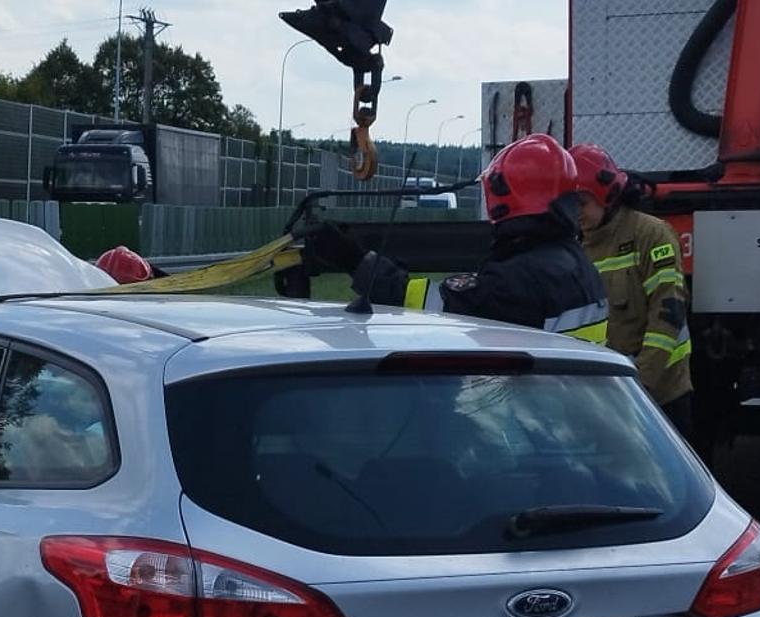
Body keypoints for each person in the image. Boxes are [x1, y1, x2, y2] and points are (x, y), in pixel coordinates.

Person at [294, 133, 609, 342]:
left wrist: (353, 260)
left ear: (502, 193)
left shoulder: (516, 280)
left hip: (531, 421)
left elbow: (431, 304)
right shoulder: (577, 263)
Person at [568, 143, 695, 439]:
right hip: (608, 395)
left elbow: (668, 313)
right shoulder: (575, 247)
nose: (575, 213)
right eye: (568, 204)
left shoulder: (650, 234)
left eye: (581, 203)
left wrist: (641, 382)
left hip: (660, 394)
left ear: (607, 196)